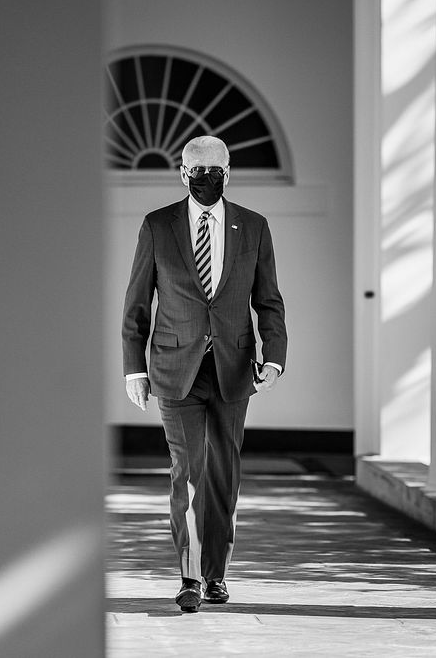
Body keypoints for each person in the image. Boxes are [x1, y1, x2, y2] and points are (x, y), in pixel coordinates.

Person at [121, 135, 287, 613]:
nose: (206, 178)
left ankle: (217, 573)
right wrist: (134, 369)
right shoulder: (158, 226)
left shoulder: (253, 227)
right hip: (176, 370)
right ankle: (190, 576)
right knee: (188, 473)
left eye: (215, 170)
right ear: (182, 173)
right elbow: (136, 305)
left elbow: (269, 300)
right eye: (198, 170)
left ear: (228, 172)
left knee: (223, 476)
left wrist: (273, 357)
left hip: (235, 370)